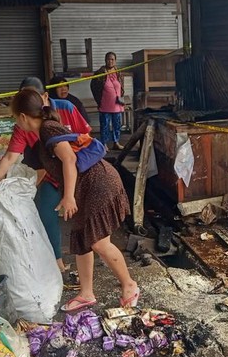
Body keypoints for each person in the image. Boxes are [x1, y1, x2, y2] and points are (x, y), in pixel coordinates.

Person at [11, 88, 138, 311]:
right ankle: (86, 293)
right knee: (81, 240)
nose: (16, 122)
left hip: (98, 184)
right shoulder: (42, 135)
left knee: (99, 242)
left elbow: (69, 159)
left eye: (14, 117)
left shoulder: (48, 129)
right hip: (85, 188)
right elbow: (43, 171)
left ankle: (129, 285)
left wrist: (68, 196)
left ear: (22, 116)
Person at [0, 77, 90, 273]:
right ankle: (57, 262)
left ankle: (94, 280)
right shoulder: (23, 124)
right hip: (52, 175)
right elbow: (10, 158)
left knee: (87, 224)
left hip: (81, 172)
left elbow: (83, 142)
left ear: (45, 97)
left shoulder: (64, 110)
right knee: (44, 209)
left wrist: (69, 194)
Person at [90, 52, 125, 150]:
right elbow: (94, 87)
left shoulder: (118, 72)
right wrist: (98, 101)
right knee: (105, 125)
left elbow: (121, 87)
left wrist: (122, 98)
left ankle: (116, 142)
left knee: (117, 125)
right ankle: (104, 144)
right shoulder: (100, 73)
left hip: (117, 105)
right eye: (108, 59)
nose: (110, 61)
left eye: (112, 59)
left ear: (115, 61)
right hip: (105, 105)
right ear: (105, 60)